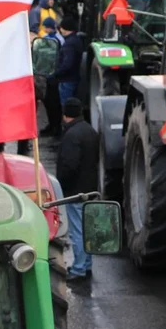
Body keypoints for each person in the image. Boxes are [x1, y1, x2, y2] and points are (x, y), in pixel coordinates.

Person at [56, 98, 99, 282]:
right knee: (87, 229)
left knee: (77, 231)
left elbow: (69, 166)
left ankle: (79, 268)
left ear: (66, 114)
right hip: (90, 188)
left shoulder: (71, 135)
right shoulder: (90, 131)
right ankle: (87, 265)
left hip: (75, 192)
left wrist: (61, 186)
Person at [52, 16, 84, 107]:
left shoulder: (69, 44)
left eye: (61, 28)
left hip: (66, 80)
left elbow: (67, 64)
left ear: (64, 29)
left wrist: (55, 74)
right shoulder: (76, 40)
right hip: (73, 78)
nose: (60, 30)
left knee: (66, 106)